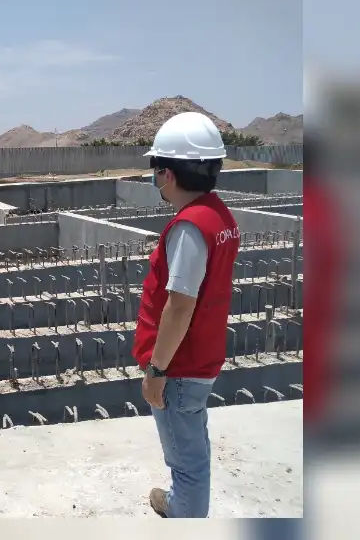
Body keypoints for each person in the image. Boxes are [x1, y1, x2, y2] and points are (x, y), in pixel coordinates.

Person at [130, 112, 240, 518]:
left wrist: (156, 371)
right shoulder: (219, 216)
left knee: (186, 461)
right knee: (193, 446)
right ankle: (178, 503)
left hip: (180, 366)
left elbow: (180, 305)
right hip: (202, 356)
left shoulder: (190, 229)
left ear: (168, 174)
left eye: (157, 170)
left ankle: (184, 514)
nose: (156, 179)